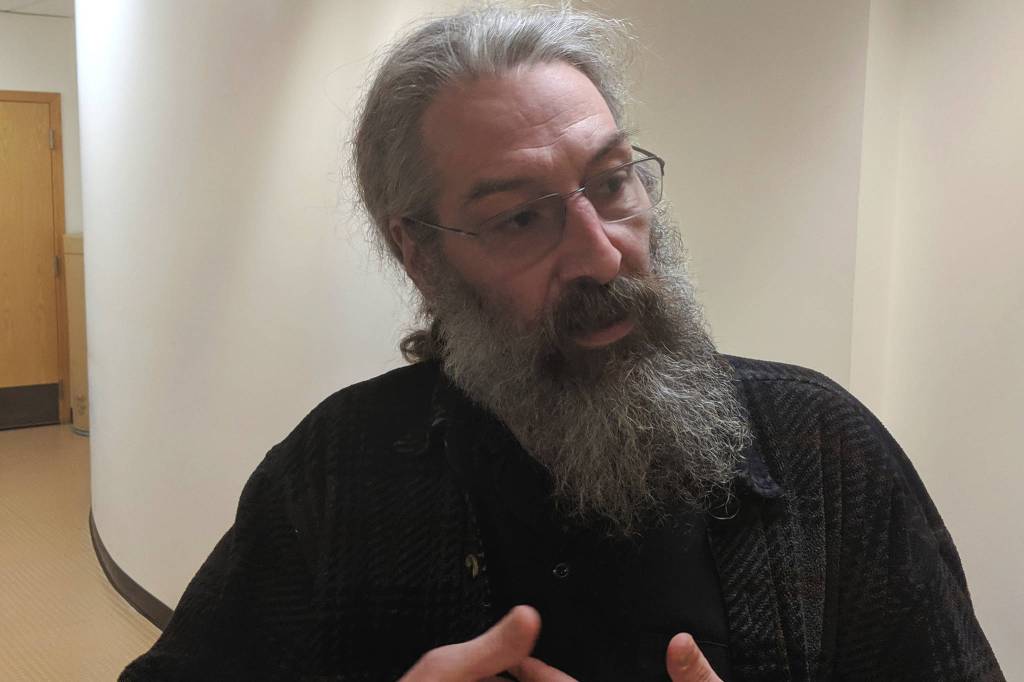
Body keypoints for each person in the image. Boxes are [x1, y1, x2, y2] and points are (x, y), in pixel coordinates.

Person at [121, 5, 1003, 681]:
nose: (601, 250)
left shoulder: (825, 452)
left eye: (612, 182)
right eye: (518, 217)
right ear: (421, 255)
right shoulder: (333, 475)